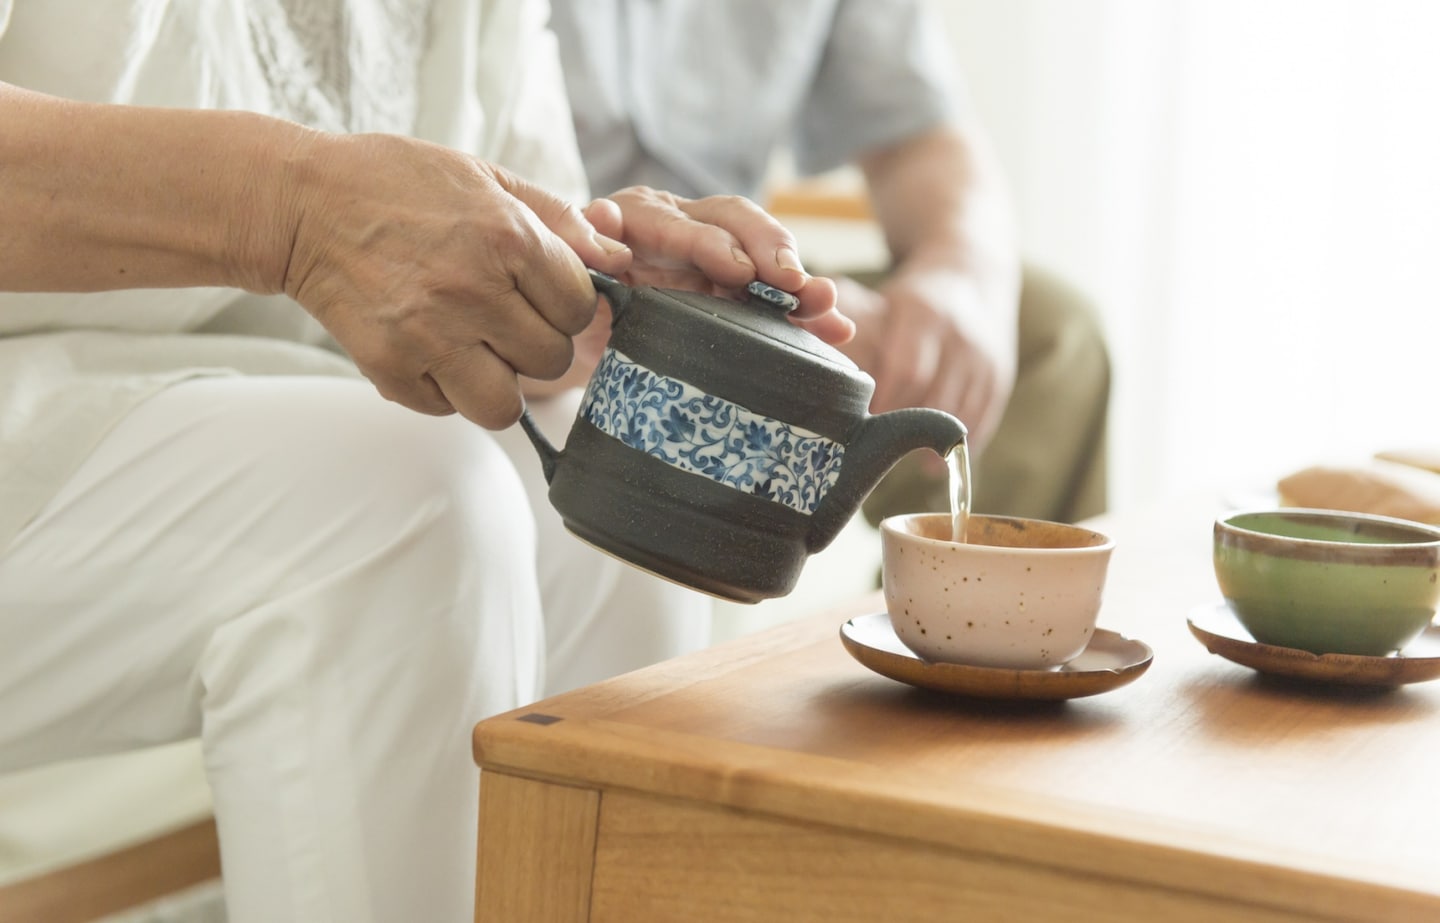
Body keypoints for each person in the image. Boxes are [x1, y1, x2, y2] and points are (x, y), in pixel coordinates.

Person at [0, 1, 849, 920]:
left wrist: (585, 289)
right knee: (400, 505)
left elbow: (506, 209)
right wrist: (289, 208)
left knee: (619, 518)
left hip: (233, 404)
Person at [548, 0, 1111, 528]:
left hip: (742, 278)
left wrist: (959, 272)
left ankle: (957, 618)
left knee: (1053, 336)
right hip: (551, 258)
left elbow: (917, 136)